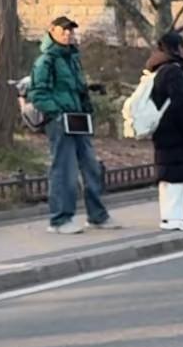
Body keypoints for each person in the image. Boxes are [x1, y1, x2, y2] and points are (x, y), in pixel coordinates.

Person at [29, 15, 120, 235]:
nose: (68, 34)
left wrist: (87, 101)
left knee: (91, 166)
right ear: (52, 30)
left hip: (78, 118)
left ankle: (97, 215)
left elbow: (76, 88)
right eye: (64, 30)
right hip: (61, 120)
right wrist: (57, 113)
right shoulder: (46, 60)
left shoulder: (72, 58)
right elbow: (38, 93)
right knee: (64, 169)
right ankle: (60, 219)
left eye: (71, 30)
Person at [144, 30, 183, 231]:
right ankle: (173, 218)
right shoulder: (173, 72)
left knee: (168, 175)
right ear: (178, 48)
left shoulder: (159, 70)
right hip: (175, 131)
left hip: (164, 130)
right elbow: (180, 104)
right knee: (174, 176)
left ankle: (172, 216)